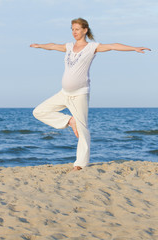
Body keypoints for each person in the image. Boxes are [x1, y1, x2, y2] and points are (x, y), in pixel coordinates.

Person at [30, 18, 150, 171]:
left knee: (83, 128)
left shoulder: (92, 47)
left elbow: (113, 46)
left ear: (85, 30)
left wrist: (134, 48)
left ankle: (80, 164)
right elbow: (53, 46)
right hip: (64, 93)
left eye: (77, 29)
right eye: (72, 29)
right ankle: (69, 121)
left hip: (79, 94)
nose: (74, 32)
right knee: (38, 111)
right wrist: (39, 45)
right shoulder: (68, 46)